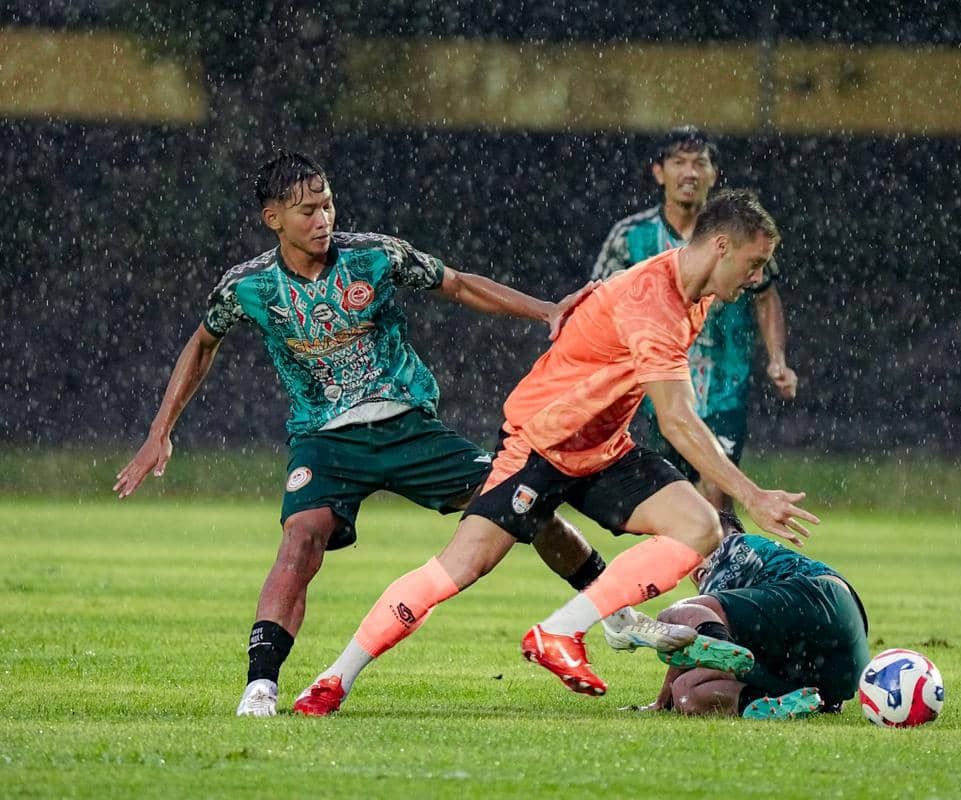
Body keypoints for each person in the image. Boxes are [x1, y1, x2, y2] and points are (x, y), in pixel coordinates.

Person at [113, 151, 617, 717]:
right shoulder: (248, 286)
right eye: (306, 211)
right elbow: (203, 342)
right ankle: (261, 687)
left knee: (525, 506)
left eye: (327, 204)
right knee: (300, 540)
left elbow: (458, 285)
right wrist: (161, 431)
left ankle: (614, 609)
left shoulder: (375, 255)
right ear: (272, 218)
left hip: (408, 427)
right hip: (326, 441)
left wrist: (546, 310)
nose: (322, 218)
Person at [293, 189, 820, 715]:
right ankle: (334, 678)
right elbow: (678, 419)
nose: (756, 278)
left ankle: (566, 629)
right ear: (721, 246)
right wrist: (751, 494)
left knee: (700, 525)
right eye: (755, 264)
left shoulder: (696, 297)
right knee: (459, 567)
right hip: (541, 445)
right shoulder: (654, 303)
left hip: (602, 448)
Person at [591, 125, 798, 511]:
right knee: (671, 497)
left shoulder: (738, 233)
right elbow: (598, 300)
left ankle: (721, 566)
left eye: (699, 163)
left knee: (717, 492)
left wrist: (777, 358)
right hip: (656, 386)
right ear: (659, 172)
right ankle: (685, 565)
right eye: (679, 162)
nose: (690, 173)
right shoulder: (631, 236)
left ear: (713, 174)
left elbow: (766, 295)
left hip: (723, 383)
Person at [629, 512, 869, 721]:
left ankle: (724, 657)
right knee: (687, 692)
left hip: (825, 600)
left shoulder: (733, 543)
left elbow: (688, 625)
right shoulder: (749, 607)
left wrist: (661, 700)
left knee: (673, 614)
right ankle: (770, 703)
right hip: (834, 671)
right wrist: (667, 700)